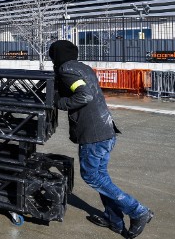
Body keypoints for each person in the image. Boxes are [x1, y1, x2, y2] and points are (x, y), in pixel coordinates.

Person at [48, 40, 153, 239]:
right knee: (101, 177)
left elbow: (84, 95)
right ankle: (114, 220)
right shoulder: (82, 67)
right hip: (105, 131)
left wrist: (60, 102)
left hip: (94, 135)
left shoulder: (66, 70)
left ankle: (138, 211)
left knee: (92, 176)